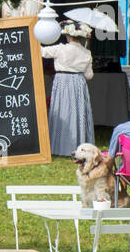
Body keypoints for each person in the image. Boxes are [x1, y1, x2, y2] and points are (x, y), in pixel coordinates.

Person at [41, 21, 95, 155]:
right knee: (77, 112)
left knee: (62, 111)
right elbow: (89, 75)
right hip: (78, 83)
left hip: (63, 81)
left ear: (68, 36)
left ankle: (59, 145)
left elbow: (41, 52)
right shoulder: (86, 53)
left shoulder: (61, 48)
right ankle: (78, 143)